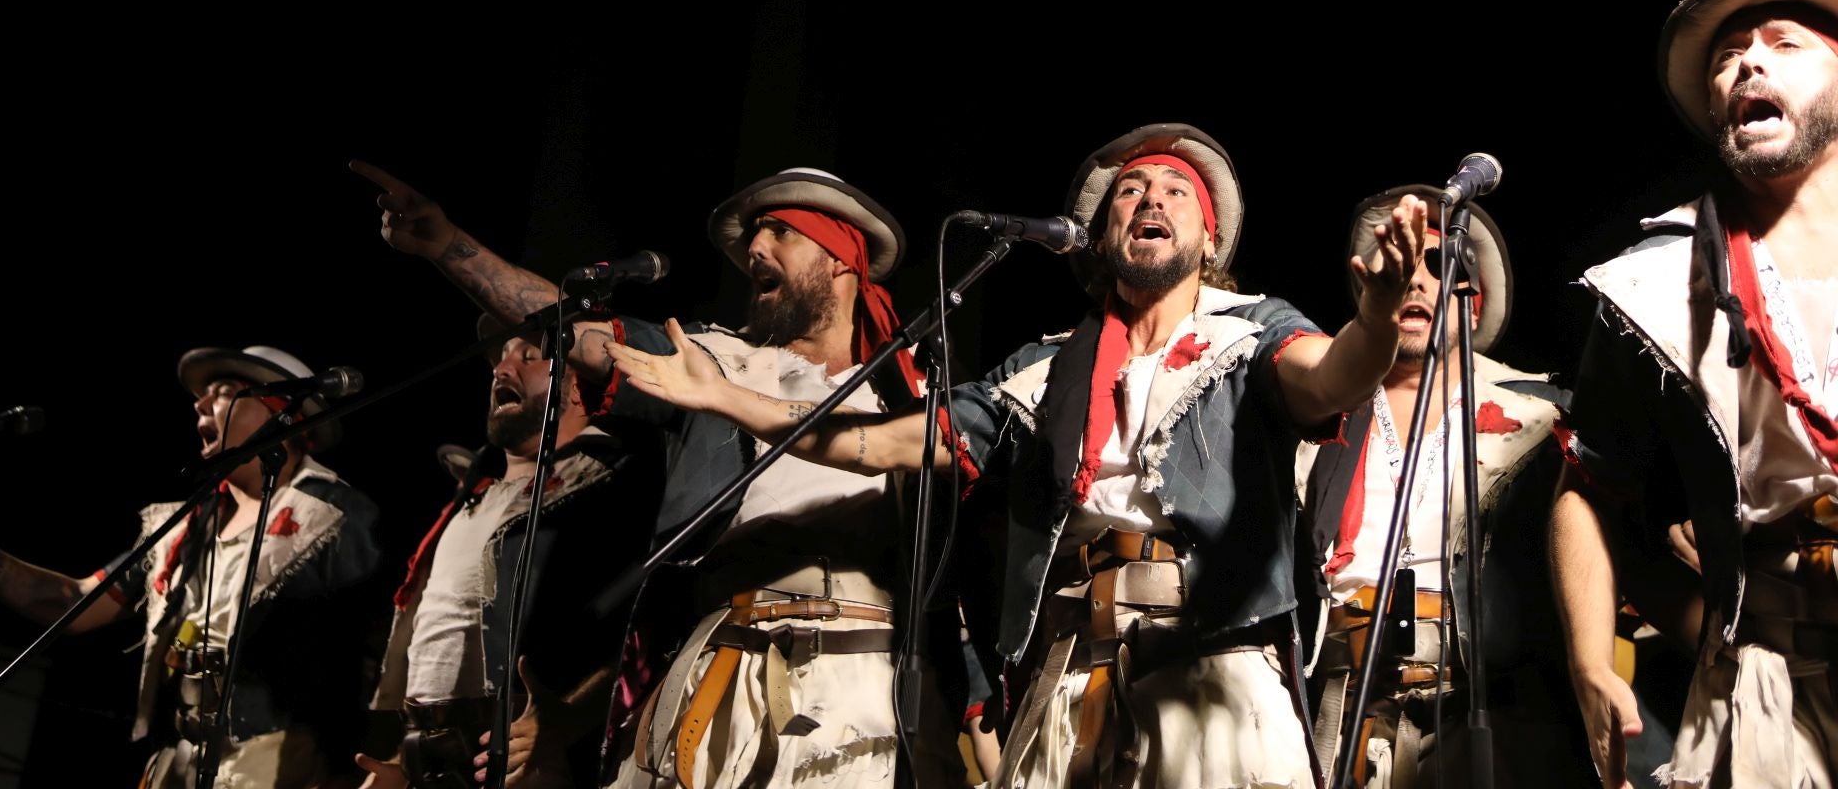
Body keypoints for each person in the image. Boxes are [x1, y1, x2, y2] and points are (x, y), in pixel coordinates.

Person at [605, 122, 1426, 789]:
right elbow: (885, 442)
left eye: (1177, 191)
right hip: (1069, 673)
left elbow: (1331, 379)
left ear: (1207, 239)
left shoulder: (1250, 332)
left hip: (1210, 671)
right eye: (1131, 190)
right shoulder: (1041, 371)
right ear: (1100, 238)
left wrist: (1381, 321)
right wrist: (726, 398)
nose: (1151, 198)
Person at [350, 160, 967, 789]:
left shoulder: (914, 389)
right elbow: (569, 328)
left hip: (868, 680)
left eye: (779, 232)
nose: (753, 247)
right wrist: (447, 246)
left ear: (840, 258)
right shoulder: (713, 361)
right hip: (727, 666)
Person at [1550, 0, 1838, 789]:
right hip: (1760, 698)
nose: (1749, 61)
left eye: (1785, 43)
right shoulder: (1652, 284)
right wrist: (1587, 658)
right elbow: (1587, 486)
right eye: (1728, 57)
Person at [0, 345, 384, 788]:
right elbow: (76, 605)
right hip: (179, 764)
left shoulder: (336, 518)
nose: (199, 402)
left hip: (280, 768)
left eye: (222, 391)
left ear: (282, 411)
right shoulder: (185, 526)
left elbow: (373, 657)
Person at [1296, 184, 1581, 786]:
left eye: (1438, 266)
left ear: (1471, 304)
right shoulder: (1313, 416)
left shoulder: (1541, 420)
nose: (1416, 280)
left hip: (1487, 719)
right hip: (1332, 711)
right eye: (1398, 265)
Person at [354, 317, 659, 789]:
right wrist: (404, 761)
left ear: (579, 388)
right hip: (434, 759)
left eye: (529, 357)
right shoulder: (474, 499)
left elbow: (641, 629)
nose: (502, 368)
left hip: (525, 760)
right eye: (501, 359)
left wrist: (567, 720)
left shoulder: (608, 488)